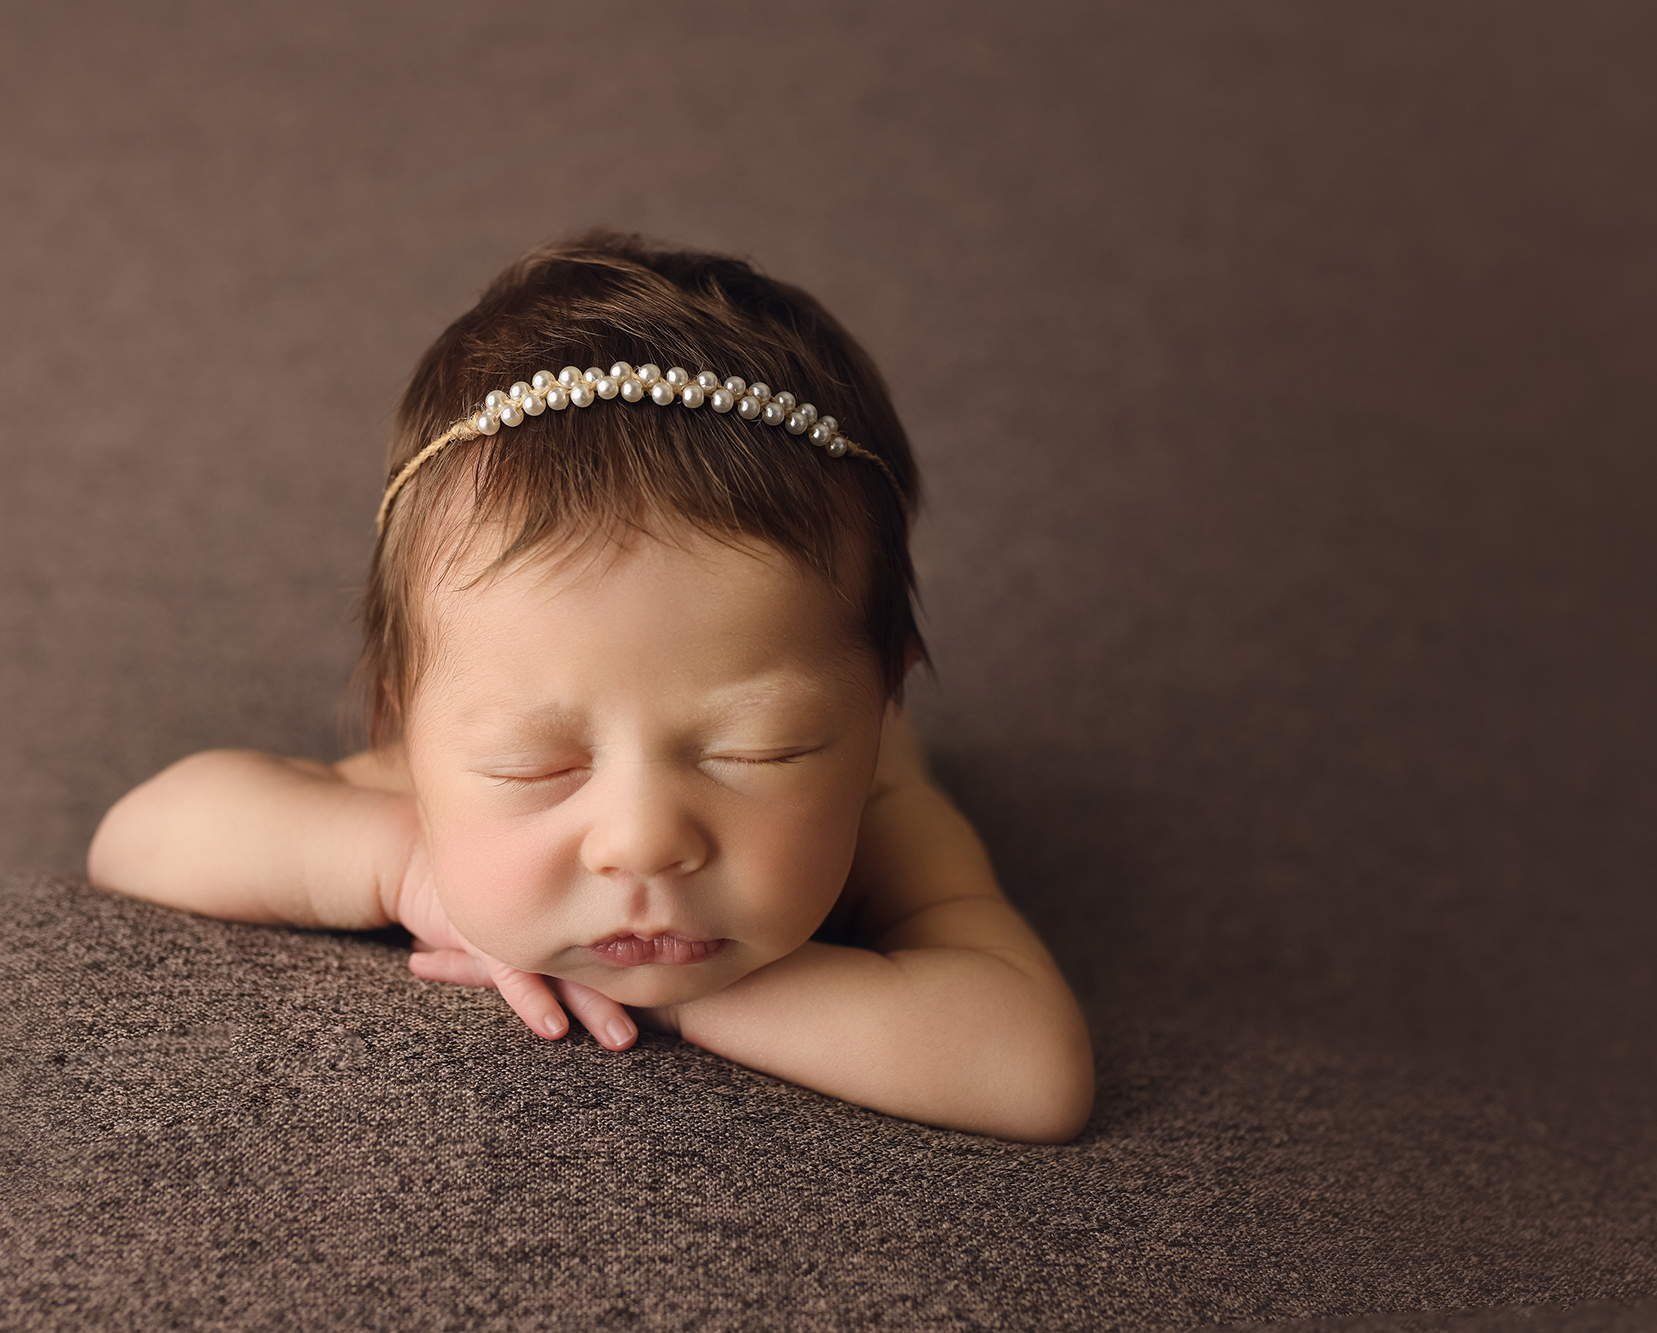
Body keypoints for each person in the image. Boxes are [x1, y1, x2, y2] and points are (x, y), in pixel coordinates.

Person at [87, 231, 1093, 1142]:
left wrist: (676, 995)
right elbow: (141, 835)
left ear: (881, 706)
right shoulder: (428, 792)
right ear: (405, 715)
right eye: (535, 765)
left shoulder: (880, 806)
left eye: (758, 750)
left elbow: (1027, 1070)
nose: (642, 840)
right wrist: (410, 871)